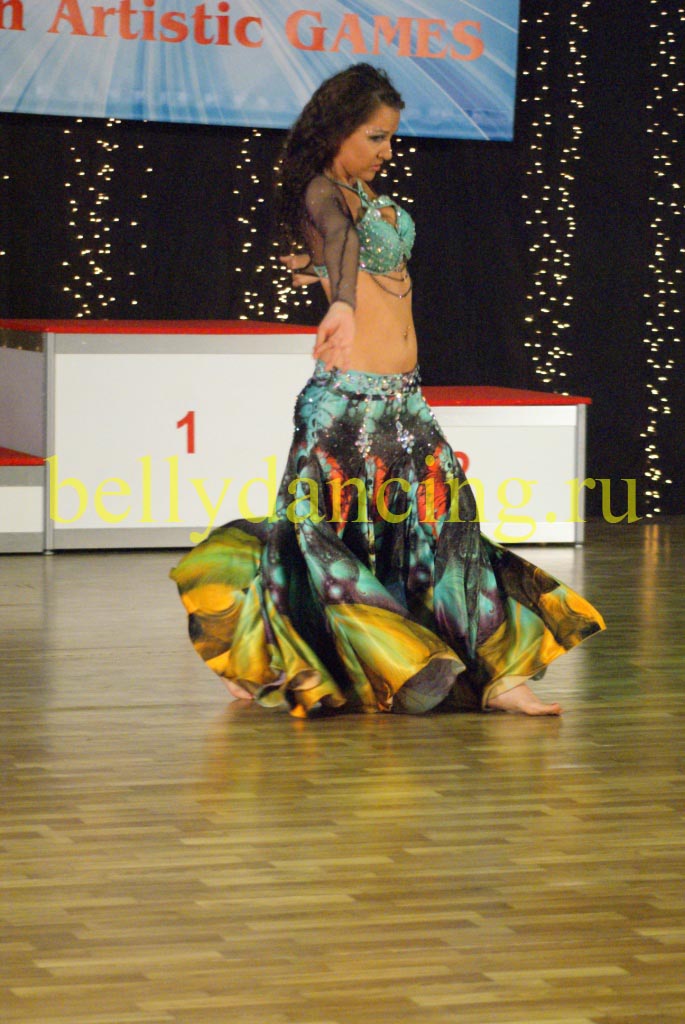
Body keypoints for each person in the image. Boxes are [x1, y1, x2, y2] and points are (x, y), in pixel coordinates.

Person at [170, 63, 604, 718]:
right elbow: (342, 241)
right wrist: (341, 302)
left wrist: (312, 269)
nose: (387, 151)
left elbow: (345, 252)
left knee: (451, 530)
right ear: (337, 130)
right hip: (344, 406)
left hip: (405, 401)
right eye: (375, 137)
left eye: (391, 137)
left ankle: (500, 677)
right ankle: (261, 660)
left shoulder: (360, 192)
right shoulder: (321, 192)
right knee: (320, 547)